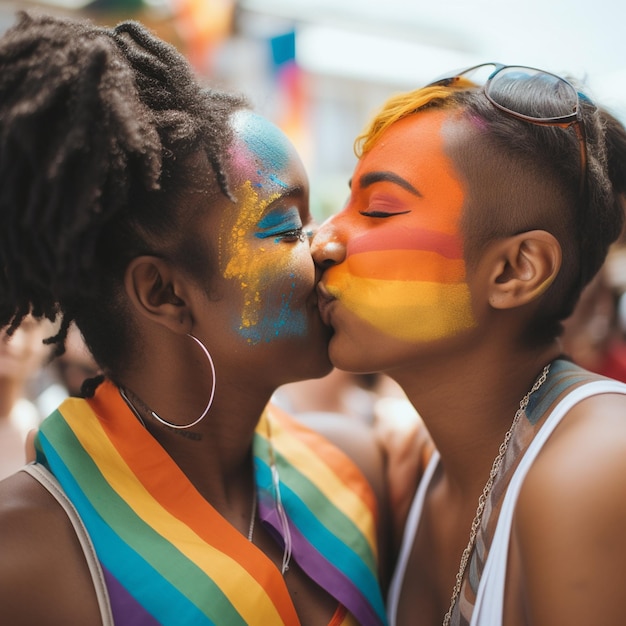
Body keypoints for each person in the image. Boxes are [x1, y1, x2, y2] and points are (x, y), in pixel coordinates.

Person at [0, 11, 388, 626]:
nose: (325, 245)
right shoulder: (25, 553)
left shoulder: (356, 467)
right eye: (288, 228)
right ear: (165, 293)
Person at [311, 63, 626, 625]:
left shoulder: (598, 464)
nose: (321, 241)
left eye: (378, 209)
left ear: (514, 271)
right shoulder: (411, 469)